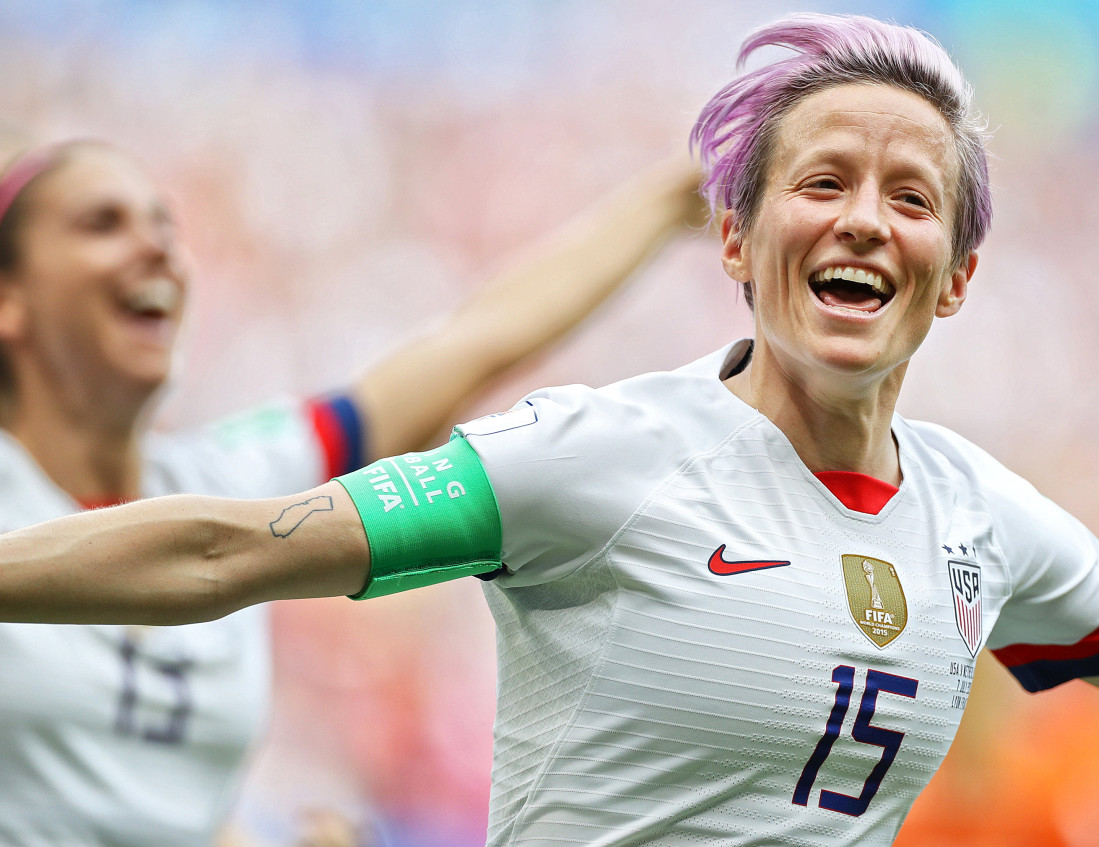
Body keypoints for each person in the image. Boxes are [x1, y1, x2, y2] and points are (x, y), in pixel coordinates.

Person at [2, 12, 1099, 846]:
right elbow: (233, 548)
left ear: (959, 275)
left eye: (912, 197)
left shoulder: (988, 520)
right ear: (734, 236)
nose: (865, 224)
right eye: (823, 183)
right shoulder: (601, 456)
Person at [0, 136, 703, 845]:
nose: (157, 249)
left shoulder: (222, 483)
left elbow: (474, 342)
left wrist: (677, 198)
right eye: (101, 224)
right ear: (8, 298)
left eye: (165, 227)